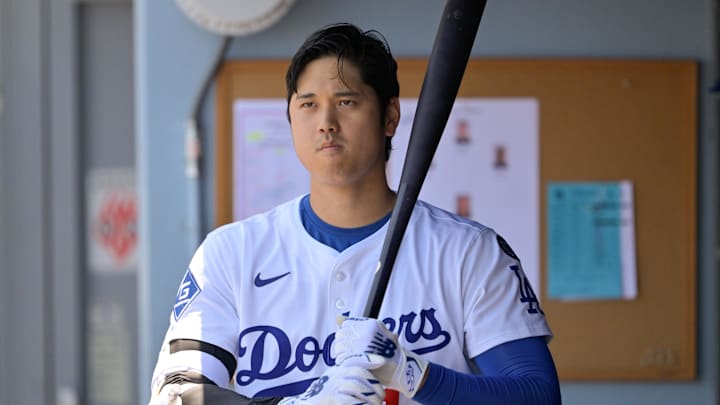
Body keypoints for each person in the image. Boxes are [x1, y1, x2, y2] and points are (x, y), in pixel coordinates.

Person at [149, 23, 562, 405]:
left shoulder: (467, 251)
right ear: (291, 119)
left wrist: (414, 374)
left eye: (346, 102)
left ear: (391, 116)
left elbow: (537, 394)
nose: (326, 122)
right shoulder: (231, 253)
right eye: (308, 104)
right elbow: (176, 394)